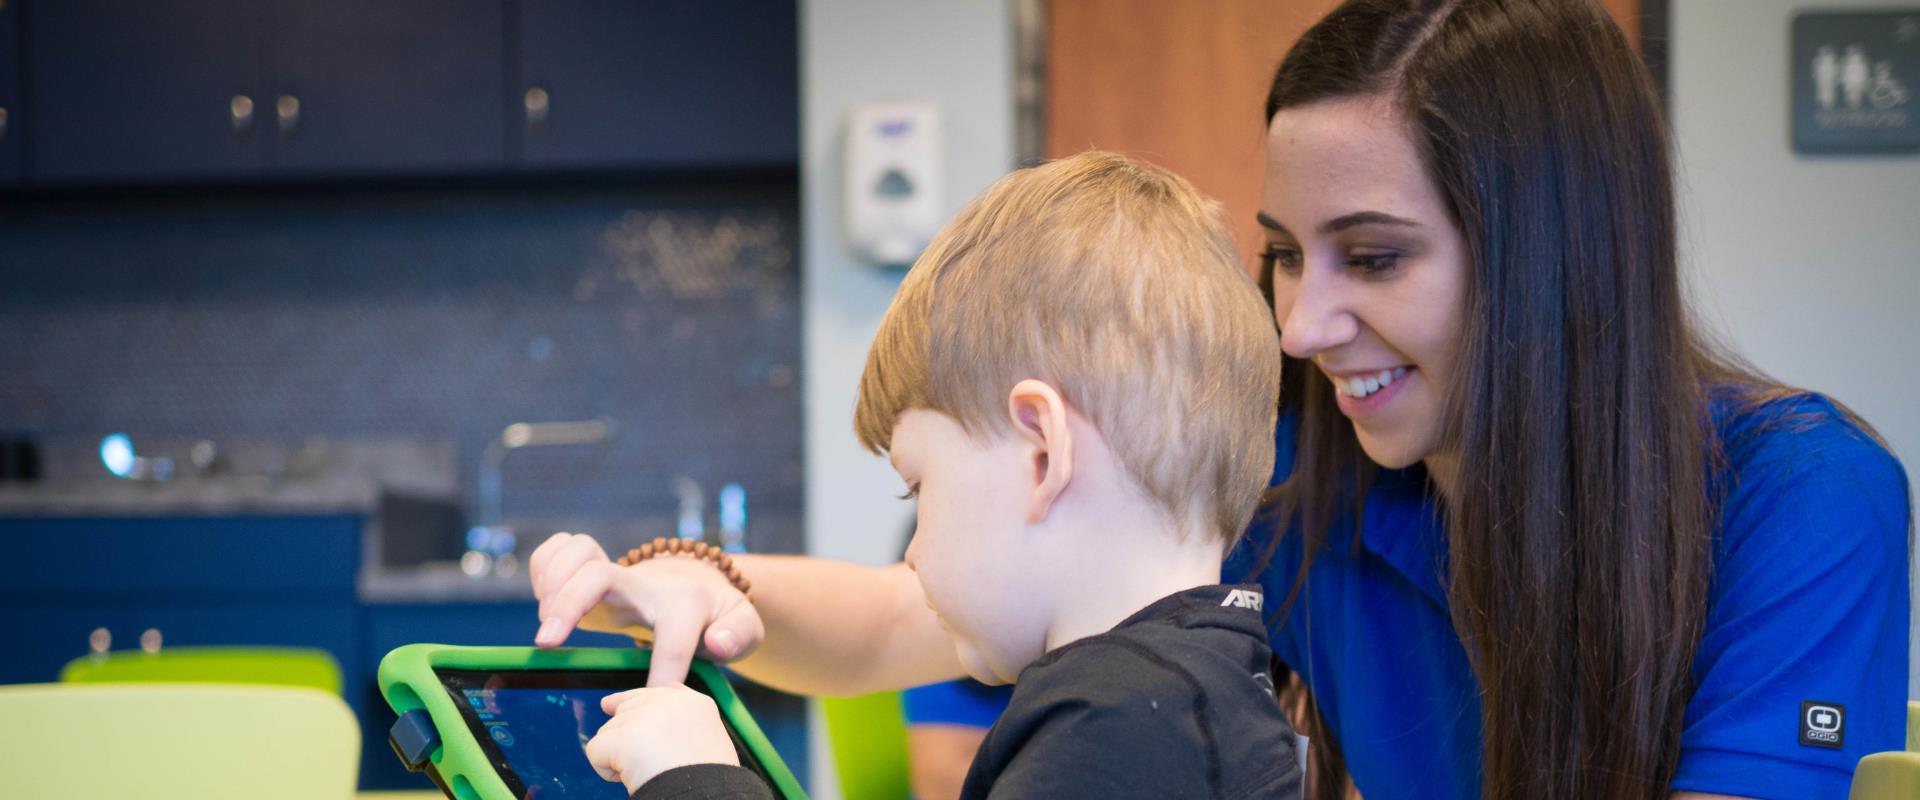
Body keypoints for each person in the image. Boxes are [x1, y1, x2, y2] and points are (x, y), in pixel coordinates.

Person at [530, 1, 1912, 798]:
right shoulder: (1313, 482)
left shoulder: (1805, 497)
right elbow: (914, 611)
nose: (1302, 323)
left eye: (1372, 257)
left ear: (1552, 253)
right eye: (1281, 256)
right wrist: (684, 582)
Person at [548, 151, 1303, 798]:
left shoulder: (1114, 729)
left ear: (1042, 454)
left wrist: (694, 778)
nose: (912, 552)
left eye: (919, 489)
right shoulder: (1198, 681)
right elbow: (880, 623)